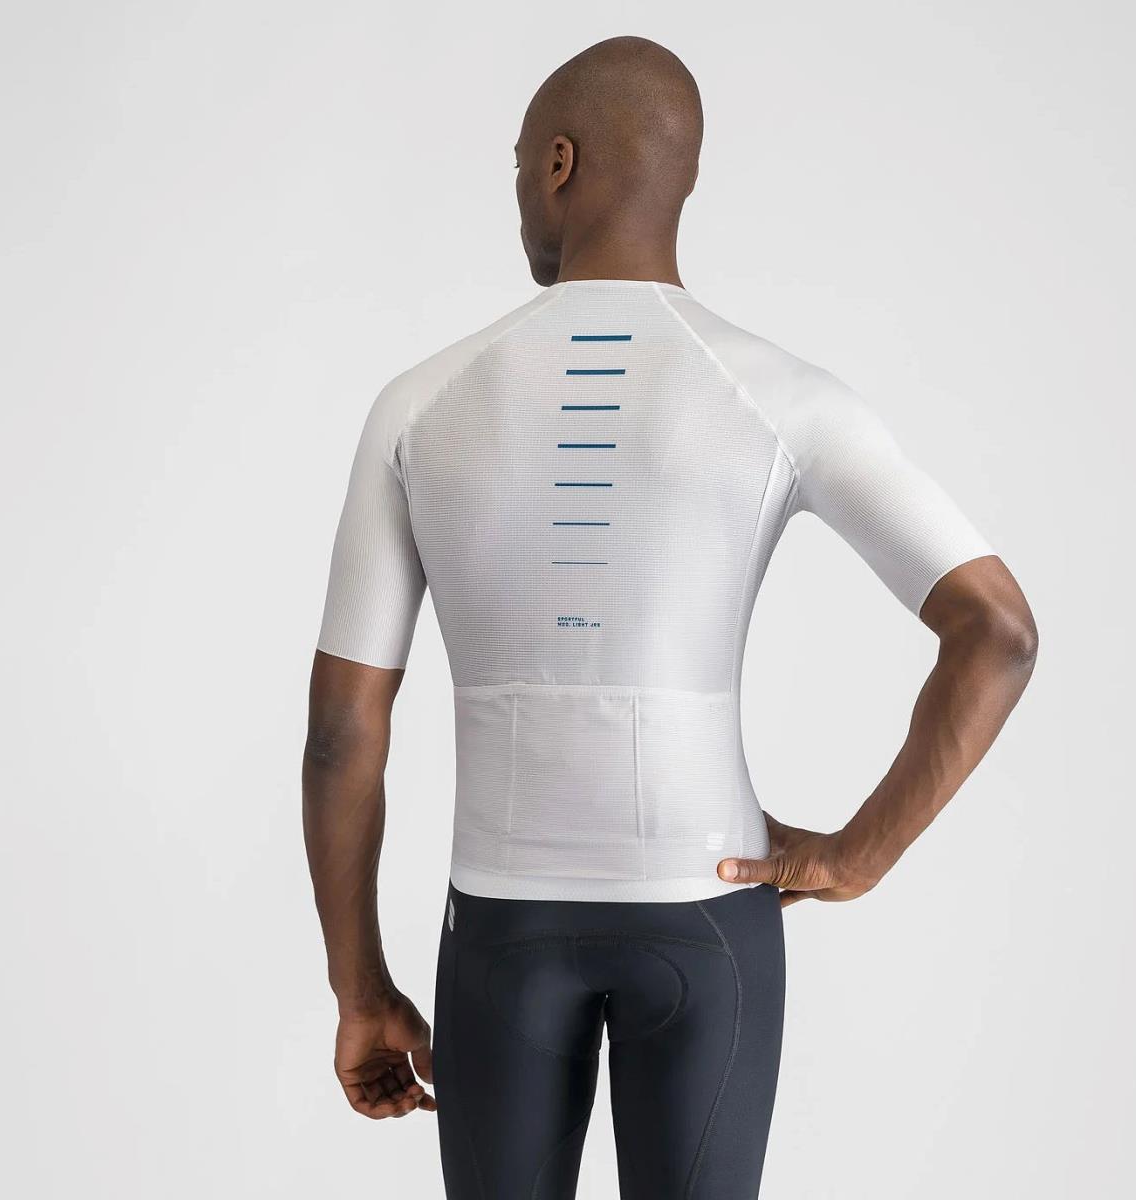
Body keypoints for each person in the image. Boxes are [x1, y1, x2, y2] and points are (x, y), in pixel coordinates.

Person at [302, 35, 1038, 1200]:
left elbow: (343, 734)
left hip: (500, 931)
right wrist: (859, 855)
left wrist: (361, 990)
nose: (517, 192)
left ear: (559, 163)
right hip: (709, 922)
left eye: (518, 166)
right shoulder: (781, 394)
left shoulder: (418, 405)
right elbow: (998, 631)